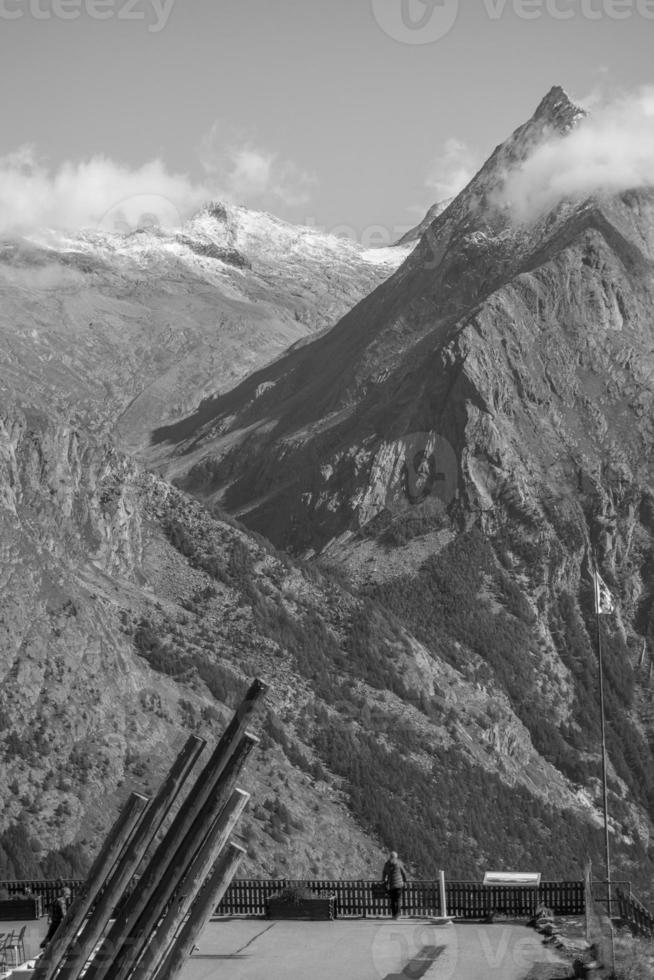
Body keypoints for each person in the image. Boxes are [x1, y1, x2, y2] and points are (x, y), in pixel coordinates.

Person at [40, 884, 72, 949]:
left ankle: (44, 945)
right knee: (59, 937)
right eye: (68, 894)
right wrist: (68, 920)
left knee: (50, 936)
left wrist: (49, 919)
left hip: (53, 921)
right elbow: (64, 913)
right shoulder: (62, 901)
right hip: (58, 922)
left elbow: (50, 911)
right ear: (65, 894)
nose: (69, 896)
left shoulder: (55, 900)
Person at [382, 850, 408, 919]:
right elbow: (404, 873)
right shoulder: (398, 863)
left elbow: (384, 872)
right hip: (399, 885)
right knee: (398, 900)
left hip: (391, 885)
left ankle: (393, 915)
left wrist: (384, 880)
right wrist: (405, 881)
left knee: (393, 900)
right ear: (396, 857)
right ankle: (398, 915)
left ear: (390, 857)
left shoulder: (387, 864)